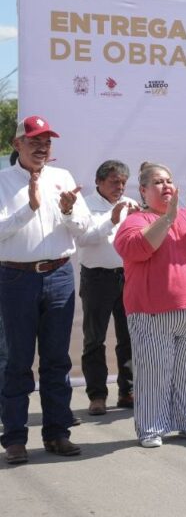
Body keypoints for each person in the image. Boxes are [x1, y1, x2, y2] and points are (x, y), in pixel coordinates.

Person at [114, 162, 186, 448]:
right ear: (143, 190)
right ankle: (152, 428)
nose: (166, 186)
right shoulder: (135, 220)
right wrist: (167, 219)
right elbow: (137, 248)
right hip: (152, 312)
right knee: (154, 372)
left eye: (169, 181)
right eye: (158, 182)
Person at [0, 116, 90, 464]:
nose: (42, 147)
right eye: (34, 140)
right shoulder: (4, 182)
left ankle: (57, 434)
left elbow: (81, 229)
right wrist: (30, 208)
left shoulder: (62, 179)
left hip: (58, 276)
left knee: (56, 361)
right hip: (15, 279)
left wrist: (67, 211)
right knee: (17, 362)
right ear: (16, 144)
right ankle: (15, 439)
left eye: (47, 141)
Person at [75, 159, 139, 416]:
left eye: (123, 182)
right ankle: (97, 395)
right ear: (99, 182)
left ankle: (127, 391)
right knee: (94, 339)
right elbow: (83, 239)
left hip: (127, 277)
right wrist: (112, 221)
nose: (120, 187)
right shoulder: (84, 206)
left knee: (129, 338)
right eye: (114, 182)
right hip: (96, 279)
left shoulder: (131, 205)